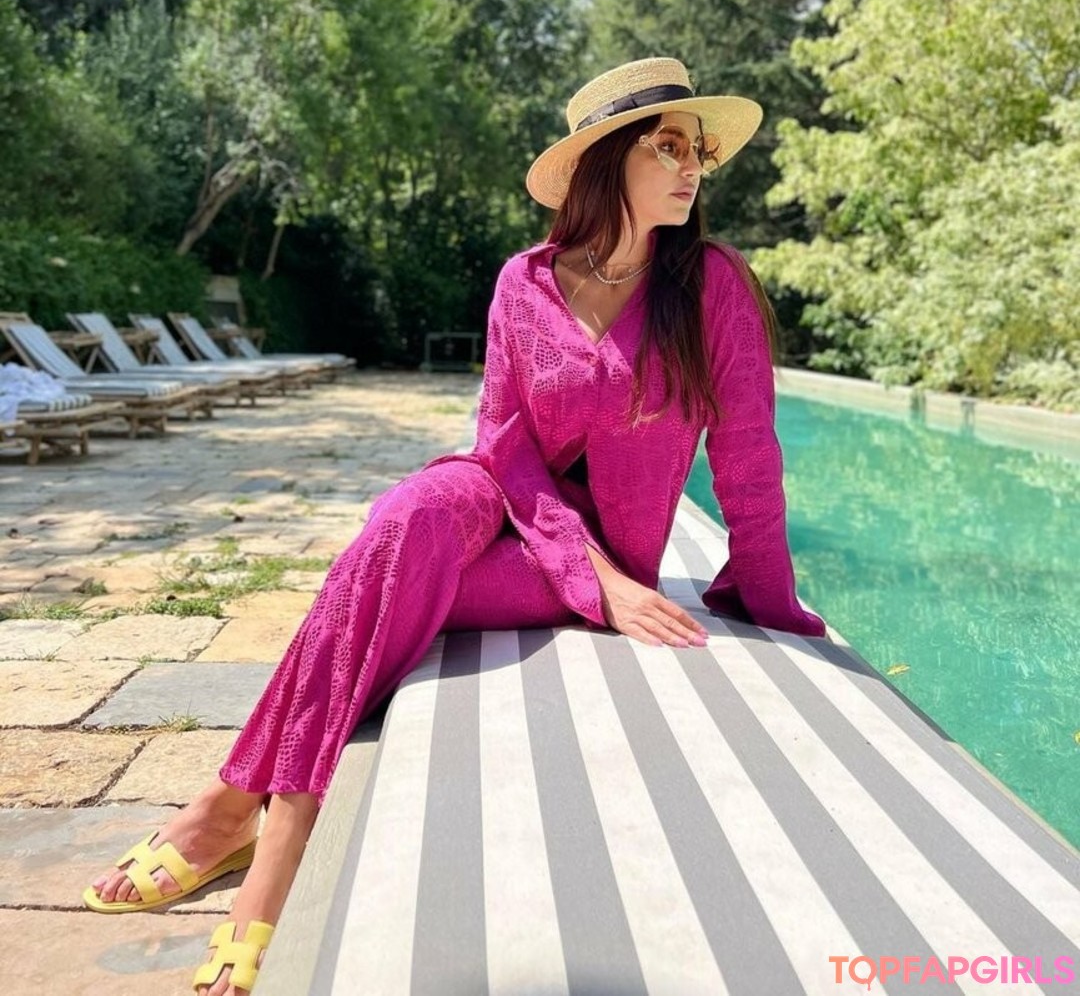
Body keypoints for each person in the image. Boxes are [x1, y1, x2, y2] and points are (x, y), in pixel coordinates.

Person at [81, 56, 826, 994]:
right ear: (605, 161)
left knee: (371, 585)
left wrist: (767, 597)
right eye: (668, 145)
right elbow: (502, 441)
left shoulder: (711, 283)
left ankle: (247, 810)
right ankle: (262, 820)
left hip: (598, 550)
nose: (692, 167)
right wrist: (593, 577)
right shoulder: (525, 281)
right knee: (405, 519)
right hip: (505, 498)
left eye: (699, 151)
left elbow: (748, 452)